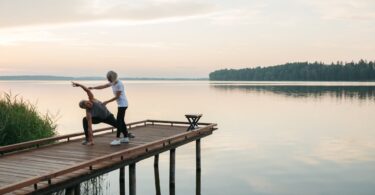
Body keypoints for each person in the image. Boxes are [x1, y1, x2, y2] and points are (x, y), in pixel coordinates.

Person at [89, 71, 131, 145]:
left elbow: (117, 97)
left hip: (123, 105)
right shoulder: (113, 82)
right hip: (121, 104)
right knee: (121, 121)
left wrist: (106, 102)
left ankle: (118, 139)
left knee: (119, 121)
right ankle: (126, 137)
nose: (109, 81)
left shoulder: (119, 84)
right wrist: (93, 88)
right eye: (108, 79)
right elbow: (103, 86)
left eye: (110, 79)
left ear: (113, 78)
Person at [72, 81, 118, 146]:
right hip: (98, 118)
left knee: (118, 125)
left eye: (87, 102)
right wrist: (91, 141)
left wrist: (79, 85)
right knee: (85, 120)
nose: (89, 104)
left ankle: (126, 134)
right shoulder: (88, 113)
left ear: (88, 100)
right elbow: (90, 128)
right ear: (85, 107)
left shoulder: (92, 99)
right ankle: (88, 139)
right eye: (87, 105)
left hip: (107, 116)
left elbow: (87, 90)